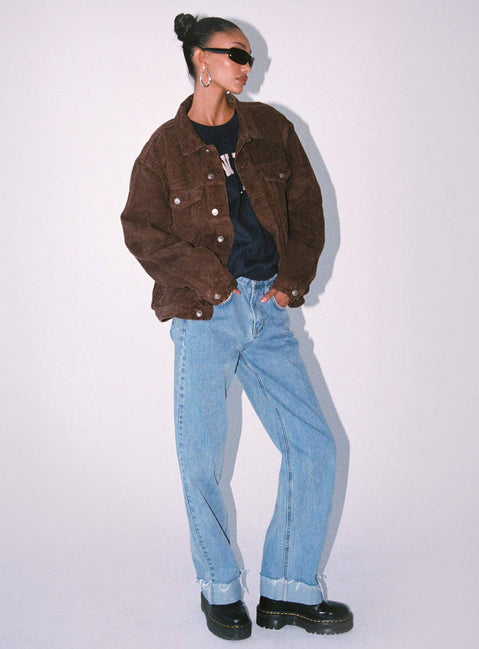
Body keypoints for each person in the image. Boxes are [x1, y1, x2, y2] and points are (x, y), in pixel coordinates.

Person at [120, 12, 353, 641]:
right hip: (204, 314)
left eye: (250, 57)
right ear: (201, 59)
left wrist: (291, 281)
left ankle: (289, 590)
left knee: (314, 446)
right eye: (237, 55)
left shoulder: (272, 129)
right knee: (201, 459)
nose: (248, 66)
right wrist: (211, 281)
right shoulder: (165, 147)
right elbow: (140, 228)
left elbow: (307, 208)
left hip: (268, 310)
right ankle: (219, 588)